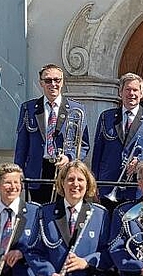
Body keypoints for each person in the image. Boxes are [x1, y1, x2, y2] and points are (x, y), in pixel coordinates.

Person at [14, 63, 90, 204]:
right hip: (37, 169)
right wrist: (17, 173)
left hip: (64, 169)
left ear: (63, 82)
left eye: (57, 80)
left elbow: (84, 145)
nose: (53, 84)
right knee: (39, 210)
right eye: (48, 80)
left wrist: (69, 157)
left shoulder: (76, 108)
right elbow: (21, 145)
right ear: (41, 83)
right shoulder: (28, 108)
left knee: (62, 212)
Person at [92, 72, 143, 211]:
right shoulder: (106, 117)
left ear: (142, 93)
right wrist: (94, 183)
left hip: (139, 188)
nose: (131, 93)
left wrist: (140, 160)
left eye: (135, 90)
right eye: (128, 90)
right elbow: (98, 152)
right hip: (108, 184)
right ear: (120, 92)